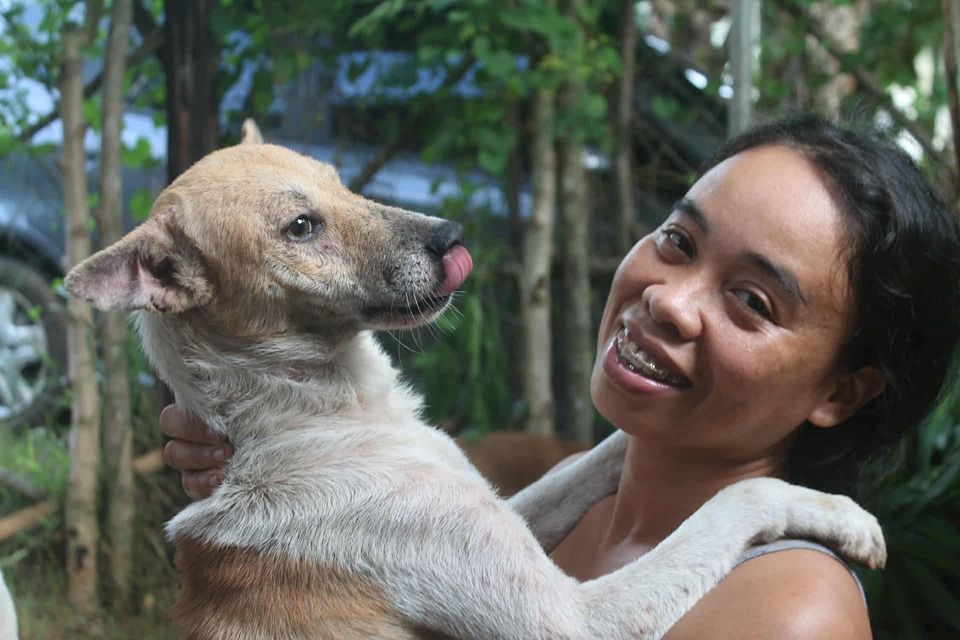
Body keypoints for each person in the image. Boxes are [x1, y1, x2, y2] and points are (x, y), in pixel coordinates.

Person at [160, 114, 960, 638]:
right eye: (678, 241)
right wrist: (262, 438)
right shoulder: (589, 509)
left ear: (841, 391)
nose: (669, 300)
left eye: (751, 300)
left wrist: (757, 504)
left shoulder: (790, 612)